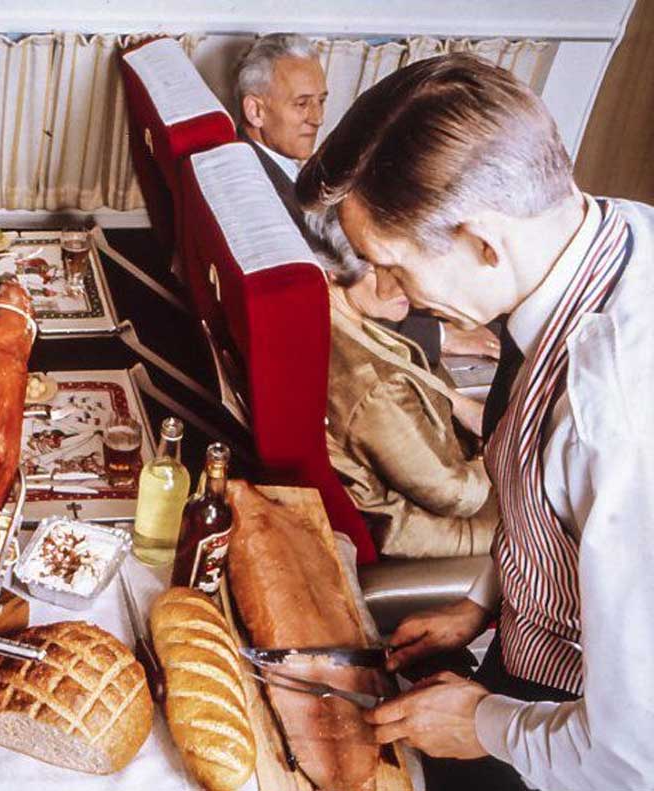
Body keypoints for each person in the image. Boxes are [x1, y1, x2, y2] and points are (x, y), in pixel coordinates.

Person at [297, 52, 654, 791]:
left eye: (393, 266)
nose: (394, 293)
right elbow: (555, 501)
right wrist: (483, 600)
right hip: (523, 668)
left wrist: (482, 723)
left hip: (573, 743)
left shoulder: (614, 416)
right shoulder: (598, 240)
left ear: (485, 241)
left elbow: (633, 752)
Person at [234, 34, 499, 365]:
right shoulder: (267, 197)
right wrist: (441, 336)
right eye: (302, 104)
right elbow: (338, 303)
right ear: (255, 110)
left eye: (321, 101)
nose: (316, 118)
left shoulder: (259, 163)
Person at [308, 207, 497, 559]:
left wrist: (457, 404)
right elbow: (456, 495)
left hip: (440, 476)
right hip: (427, 527)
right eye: (376, 269)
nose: (401, 284)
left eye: (401, 266)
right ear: (332, 273)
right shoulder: (371, 385)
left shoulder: (343, 319)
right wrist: (504, 447)